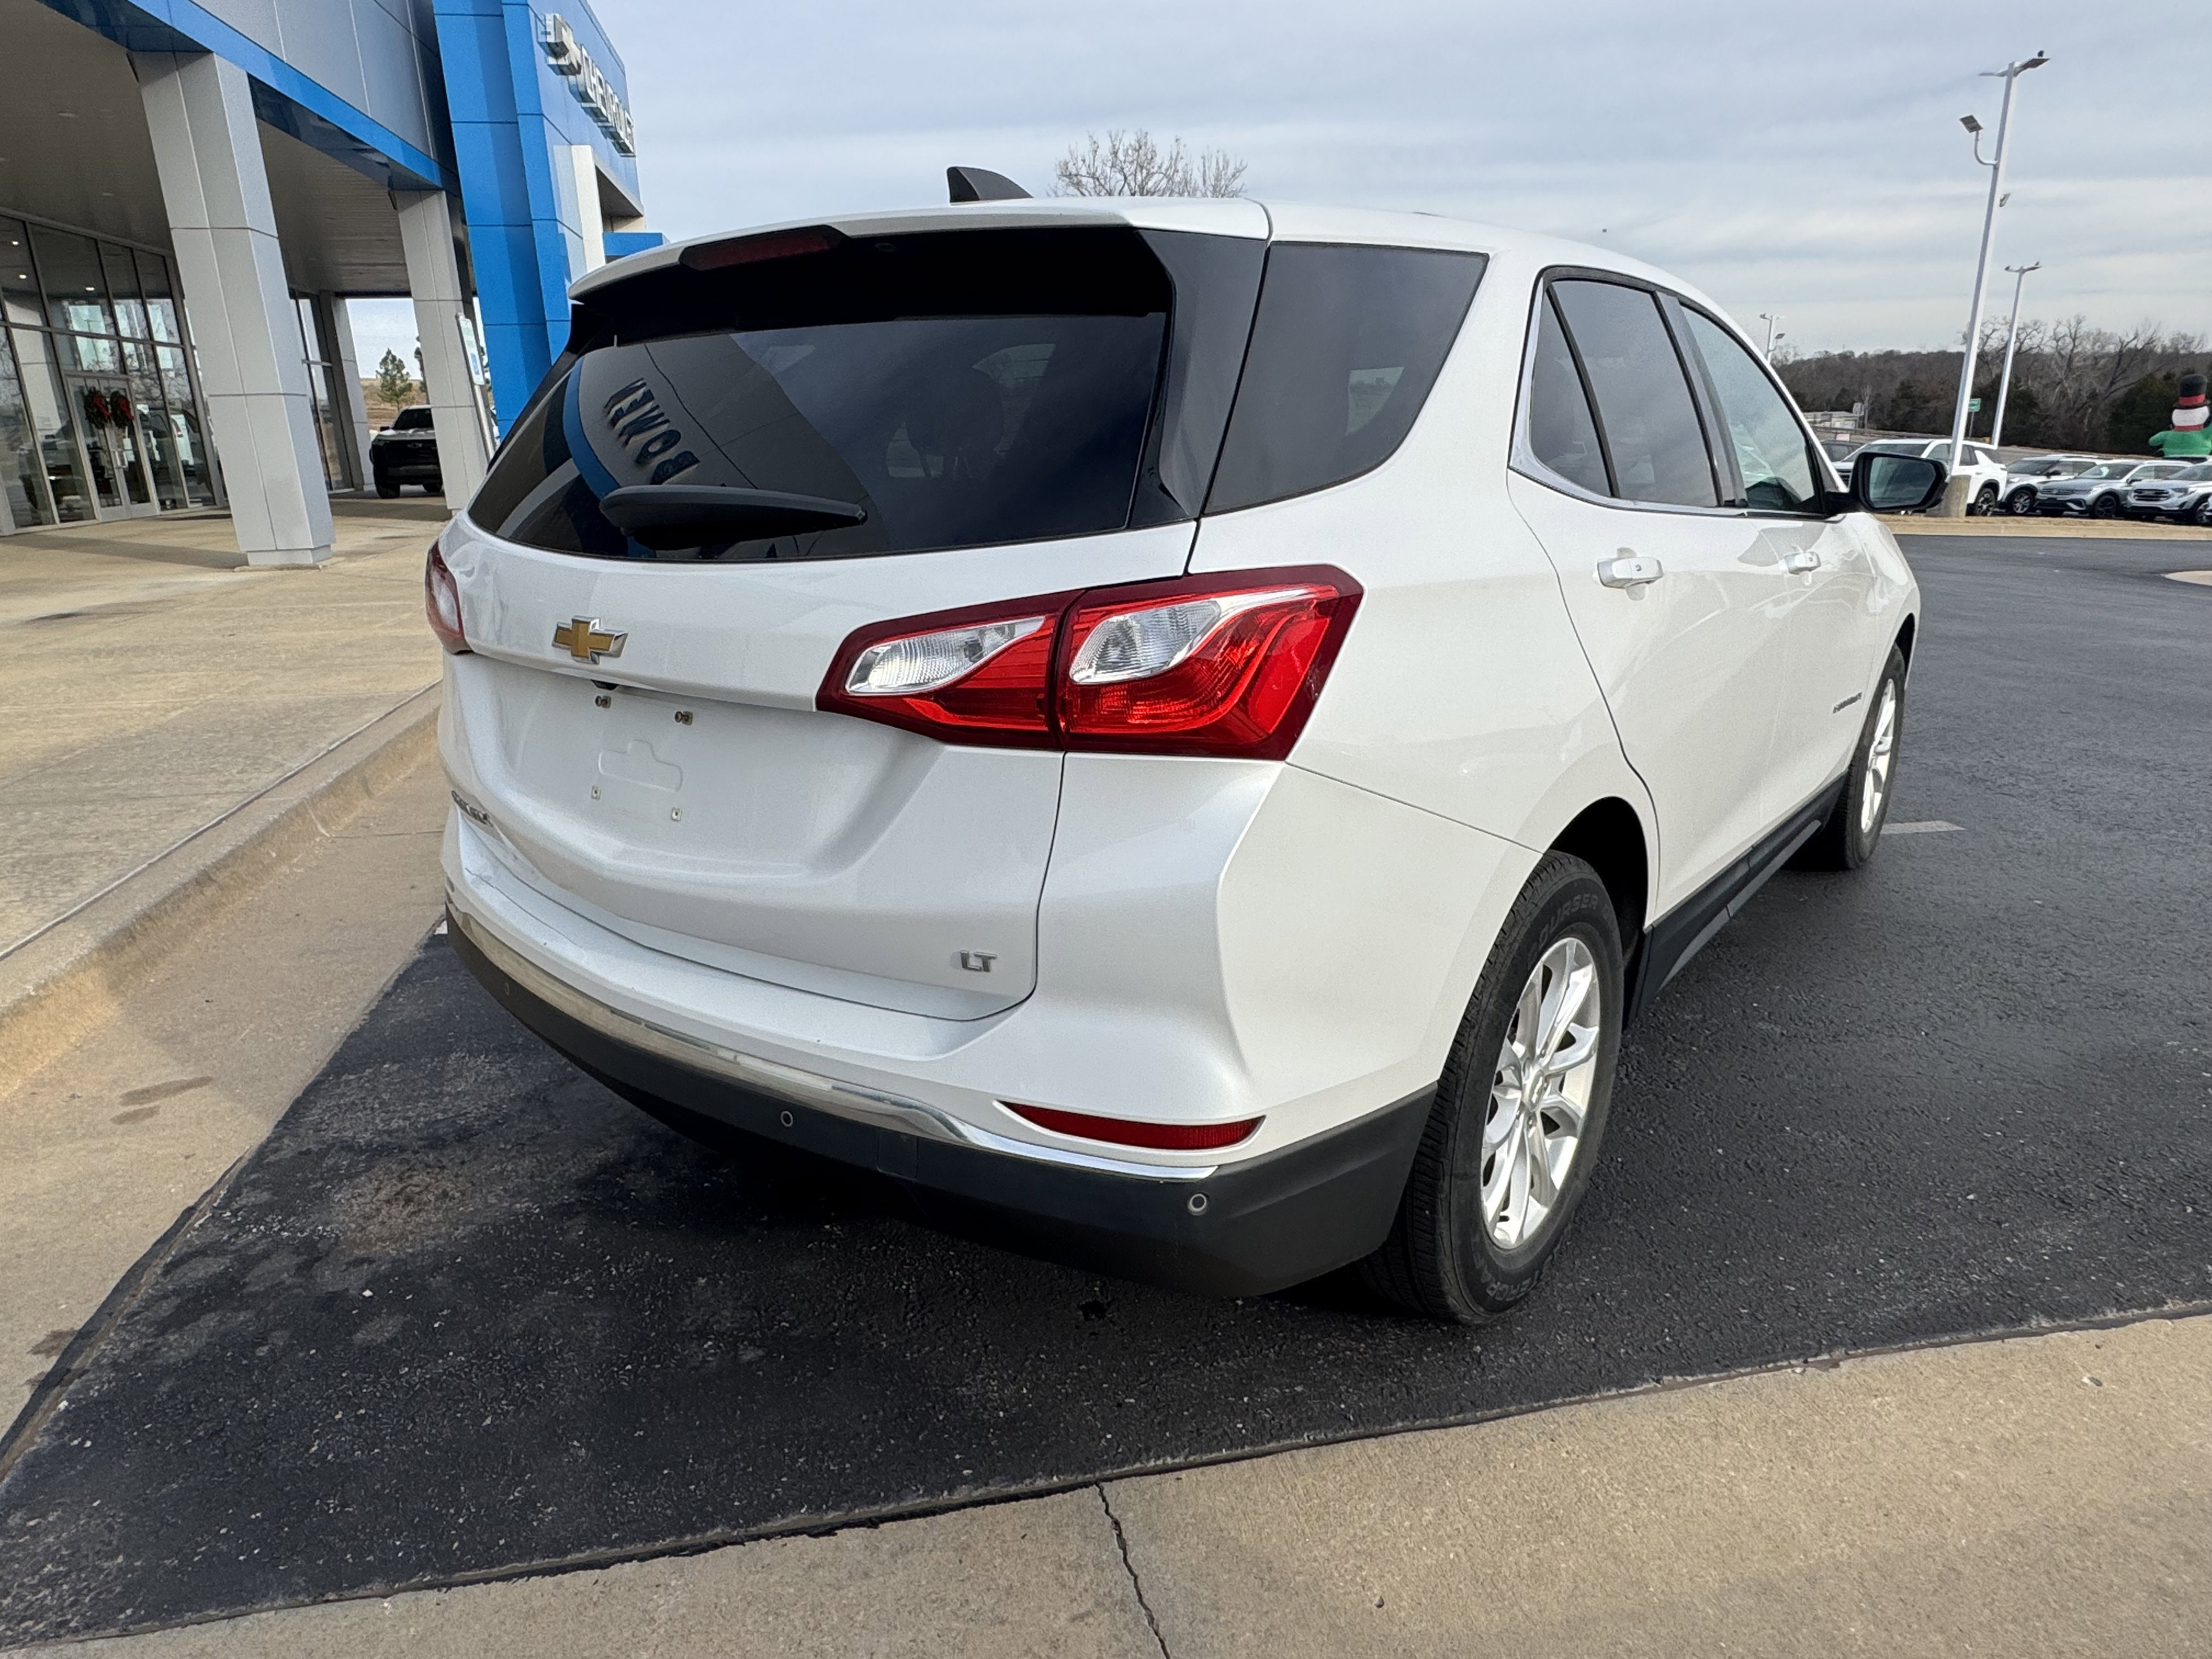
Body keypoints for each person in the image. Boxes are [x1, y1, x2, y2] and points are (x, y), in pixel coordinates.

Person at [2148, 371, 2211, 459]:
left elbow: (2153, 442)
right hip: (2198, 459)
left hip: (2170, 458)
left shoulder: (2168, 435)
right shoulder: (2204, 434)